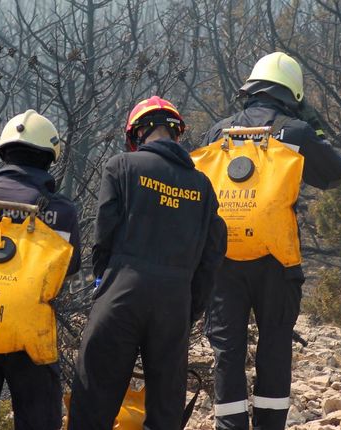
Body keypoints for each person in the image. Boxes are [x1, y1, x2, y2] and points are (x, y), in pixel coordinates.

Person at [201, 52, 341, 430]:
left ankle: (230, 425)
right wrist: (313, 126)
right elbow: (334, 174)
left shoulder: (219, 132)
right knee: (275, 344)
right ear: (292, 94)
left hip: (223, 260)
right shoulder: (295, 132)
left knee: (227, 350)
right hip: (276, 260)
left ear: (250, 89)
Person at [68, 96, 227, 429]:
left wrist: (106, 284)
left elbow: (104, 237)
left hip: (122, 290)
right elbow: (212, 256)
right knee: (166, 411)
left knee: (93, 400)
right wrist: (189, 308)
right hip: (174, 302)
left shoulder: (122, 166)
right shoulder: (203, 186)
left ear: (136, 134)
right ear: (177, 135)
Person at [0, 110, 80, 430]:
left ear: (4, 151)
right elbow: (69, 268)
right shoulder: (60, 212)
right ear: (50, 158)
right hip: (30, 337)